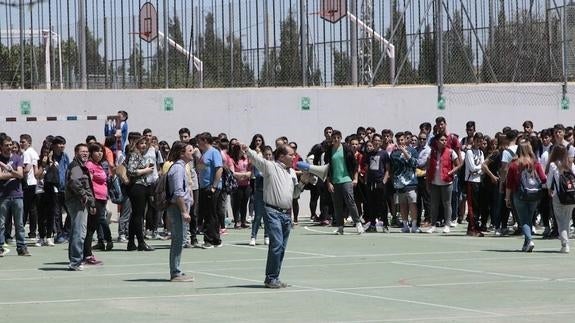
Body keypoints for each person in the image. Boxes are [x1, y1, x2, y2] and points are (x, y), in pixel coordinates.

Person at [241, 142, 310, 288]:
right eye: (291, 155)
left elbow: (295, 194)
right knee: (277, 244)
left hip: (286, 214)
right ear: (281, 156)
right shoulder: (270, 166)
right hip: (272, 211)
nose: (294, 157)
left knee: (282, 247)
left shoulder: (291, 172)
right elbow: (257, 159)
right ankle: (270, 278)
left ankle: (275, 277)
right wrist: (247, 149)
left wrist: (303, 182)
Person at [505, 142, 546, 252]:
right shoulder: (535, 163)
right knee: (529, 218)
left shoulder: (514, 164)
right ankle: (526, 244)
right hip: (534, 194)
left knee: (523, 220)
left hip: (519, 194)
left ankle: (529, 240)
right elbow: (543, 178)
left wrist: (507, 198)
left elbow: (509, 183)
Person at [324, 130, 365, 235]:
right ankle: (340, 226)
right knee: (337, 205)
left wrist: (355, 178)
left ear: (341, 138)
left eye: (338, 137)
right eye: (334, 138)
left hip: (347, 179)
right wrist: (329, 182)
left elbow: (355, 165)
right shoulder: (329, 151)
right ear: (332, 139)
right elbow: (326, 168)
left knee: (350, 202)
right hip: (334, 181)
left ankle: (358, 223)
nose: (336, 139)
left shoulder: (346, 148)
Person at [166, 142, 194, 281]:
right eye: (189, 150)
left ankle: (176, 269)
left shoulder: (182, 167)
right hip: (177, 208)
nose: (192, 152)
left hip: (179, 207)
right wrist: (184, 211)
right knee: (178, 239)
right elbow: (178, 192)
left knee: (180, 239)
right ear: (182, 153)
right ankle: (175, 272)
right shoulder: (178, 169)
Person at [65, 144, 96, 270]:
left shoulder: (80, 166)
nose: (85, 153)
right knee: (79, 232)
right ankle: (76, 261)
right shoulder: (76, 166)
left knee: (75, 232)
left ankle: (74, 259)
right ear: (76, 152)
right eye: (82, 151)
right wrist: (85, 197)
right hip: (77, 202)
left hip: (78, 201)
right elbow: (75, 183)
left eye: (87, 151)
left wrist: (91, 202)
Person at [0, 135, 30, 257]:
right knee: (1, 223)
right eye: (6, 145)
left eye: (10, 144)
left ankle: (21, 247)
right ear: (1, 146)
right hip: (3, 196)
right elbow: (0, 177)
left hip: (17, 195)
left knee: (19, 224)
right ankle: (0, 246)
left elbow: (20, 174)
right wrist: (14, 174)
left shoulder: (17, 158)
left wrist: (9, 170)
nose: (9, 147)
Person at [125, 135, 155, 251]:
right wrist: (145, 170)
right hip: (137, 186)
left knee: (135, 216)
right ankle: (141, 242)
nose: (143, 145)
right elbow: (131, 171)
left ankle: (131, 242)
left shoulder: (139, 155)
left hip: (140, 186)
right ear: (136, 144)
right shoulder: (134, 154)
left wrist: (145, 168)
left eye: (145, 143)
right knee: (138, 215)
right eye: (141, 143)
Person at [546, 145, 575, 253]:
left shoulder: (553, 165)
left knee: (560, 220)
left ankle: (564, 243)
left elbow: (549, 181)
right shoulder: (570, 165)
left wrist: (549, 189)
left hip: (559, 196)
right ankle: (566, 242)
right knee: (567, 220)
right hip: (571, 196)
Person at [197, 132, 224, 249]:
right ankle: (216, 239)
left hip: (210, 187)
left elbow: (219, 169)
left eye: (200, 141)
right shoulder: (204, 153)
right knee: (210, 213)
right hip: (204, 186)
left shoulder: (214, 152)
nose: (198, 143)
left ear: (205, 141)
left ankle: (208, 240)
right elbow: (202, 168)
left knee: (209, 214)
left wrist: (214, 186)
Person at [20, 134, 39, 239]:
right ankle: (32, 232)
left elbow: (26, 169)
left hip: (28, 183)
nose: (21, 143)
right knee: (32, 209)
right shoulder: (34, 152)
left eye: (23, 142)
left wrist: (16, 172)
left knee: (25, 208)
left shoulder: (27, 153)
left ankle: (21, 230)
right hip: (34, 183)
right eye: (21, 141)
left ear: (29, 142)